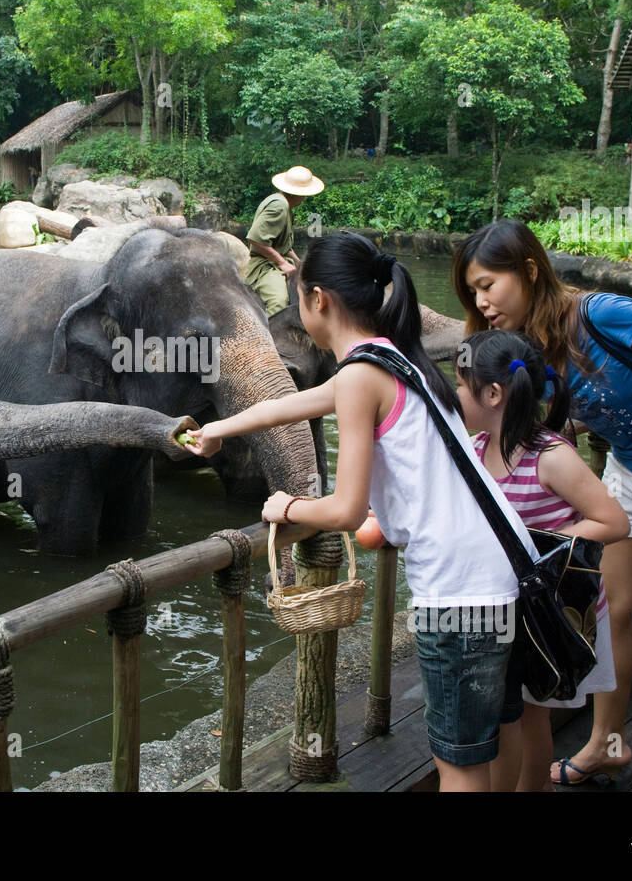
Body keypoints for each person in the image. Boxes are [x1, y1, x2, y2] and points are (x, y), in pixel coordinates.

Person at [185, 232, 535, 791]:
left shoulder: (359, 374)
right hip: (500, 570)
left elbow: (348, 510)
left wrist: (288, 504)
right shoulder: (392, 358)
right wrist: (218, 430)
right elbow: (296, 403)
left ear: (317, 299)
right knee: (484, 744)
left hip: (460, 593)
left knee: (459, 767)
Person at [453, 219, 632, 792]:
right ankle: (609, 742)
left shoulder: (602, 313)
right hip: (629, 474)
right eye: (473, 293)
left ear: (529, 270)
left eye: (488, 285)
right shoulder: (529, 346)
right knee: (614, 614)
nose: (482, 304)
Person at [456, 329, 629, 792]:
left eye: (460, 383)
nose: (454, 394)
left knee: (533, 715)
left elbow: (613, 522)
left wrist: (538, 547)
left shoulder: (549, 456)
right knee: (513, 709)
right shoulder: (476, 449)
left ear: (492, 393)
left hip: (548, 611)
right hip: (510, 608)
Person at [243, 165, 324, 315]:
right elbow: (255, 239)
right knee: (279, 302)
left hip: (276, 260)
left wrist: (298, 262)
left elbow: (283, 245)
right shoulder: (279, 206)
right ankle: (269, 337)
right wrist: (283, 263)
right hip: (265, 266)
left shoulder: (284, 205)